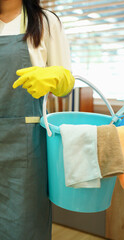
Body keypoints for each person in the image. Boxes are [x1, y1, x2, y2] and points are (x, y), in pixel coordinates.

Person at [0, 0, 74, 239]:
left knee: (23, 226)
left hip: (25, 146)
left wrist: (55, 76)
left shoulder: (45, 22)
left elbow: (66, 84)